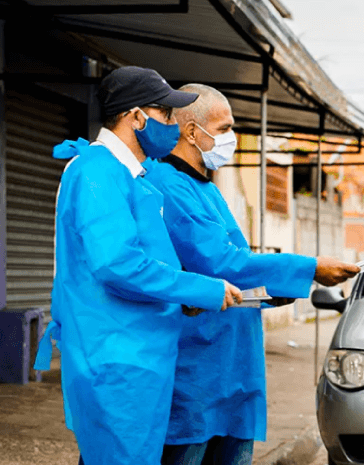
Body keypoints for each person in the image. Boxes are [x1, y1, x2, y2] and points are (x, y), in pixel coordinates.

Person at [33, 67, 244, 465]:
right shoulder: (97, 171)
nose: (173, 125)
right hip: (116, 358)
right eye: (166, 114)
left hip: (136, 356)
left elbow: (141, 262)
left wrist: (181, 299)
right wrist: (200, 288)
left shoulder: (130, 175)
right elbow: (117, 263)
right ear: (136, 117)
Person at [143, 83, 360, 465]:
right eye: (225, 128)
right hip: (199, 363)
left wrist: (272, 292)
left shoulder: (205, 188)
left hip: (234, 359)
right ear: (191, 131)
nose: (232, 137)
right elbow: (220, 263)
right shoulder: (167, 185)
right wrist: (309, 267)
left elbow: (239, 266)